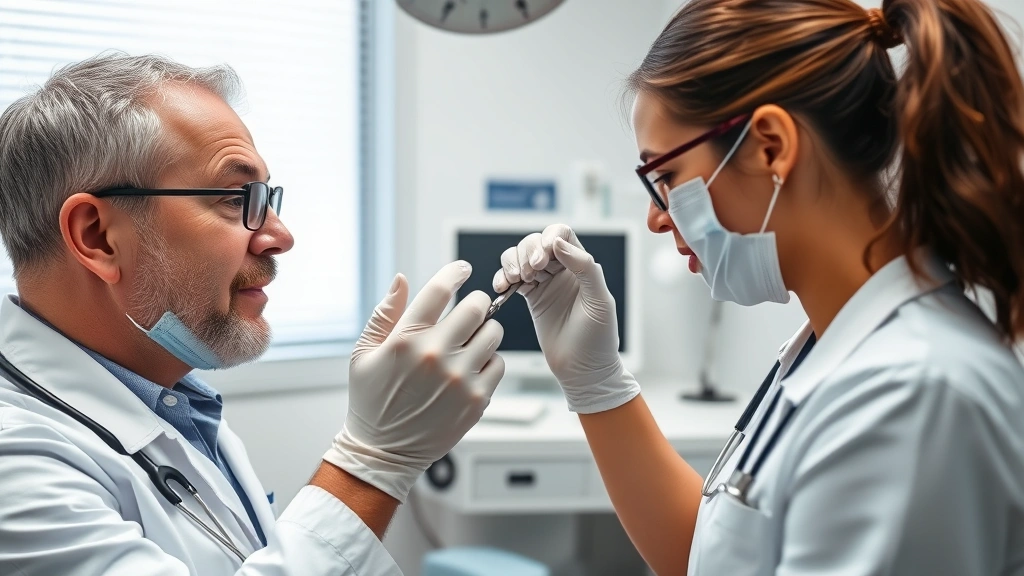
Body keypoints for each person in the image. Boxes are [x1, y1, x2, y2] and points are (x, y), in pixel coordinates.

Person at [493, 0, 1024, 574]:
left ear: (770, 146)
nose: (655, 217)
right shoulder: (832, 346)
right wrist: (594, 382)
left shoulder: (911, 396)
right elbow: (708, 557)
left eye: (663, 176)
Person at [0, 53, 504, 575]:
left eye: (267, 197)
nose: (280, 236)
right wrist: (370, 465)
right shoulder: (16, 466)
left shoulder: (176, 402)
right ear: (97, 236)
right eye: (235, 197)